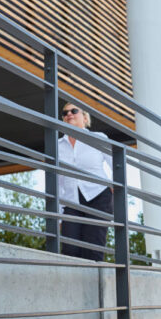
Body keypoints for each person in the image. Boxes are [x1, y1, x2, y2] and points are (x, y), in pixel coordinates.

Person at [58, 103, 113, 261]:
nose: (69, 114)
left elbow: (117, 164)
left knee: (93, 248)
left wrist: (116, 187)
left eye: (74, 111)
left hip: (98, 197)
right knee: (70, 250)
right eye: (65, 112)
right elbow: (57, 182)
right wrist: (59, 214)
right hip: (71, 202)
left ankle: (95, 285)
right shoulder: (58, 146)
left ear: (85, 117)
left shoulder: (98, 138)